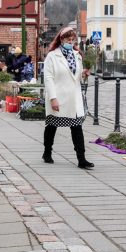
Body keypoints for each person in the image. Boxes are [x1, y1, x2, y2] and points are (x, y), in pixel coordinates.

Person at [42, 26, 93, 169]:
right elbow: (48, 78)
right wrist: (53, 98)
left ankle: (81, 159)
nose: (70, 42)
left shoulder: (77, 55)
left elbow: (76, 76)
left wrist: (84, 73)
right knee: (52, 125)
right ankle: (47, 152)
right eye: (68, 39)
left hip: (74, 98)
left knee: (77, 126)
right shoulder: (52, 56)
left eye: (72, 40)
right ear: (61, 39)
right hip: (59, 96)